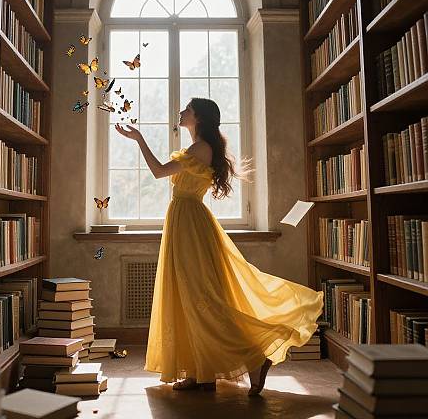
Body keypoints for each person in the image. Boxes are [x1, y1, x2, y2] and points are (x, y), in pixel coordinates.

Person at [115, 97, 324, 396]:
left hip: (189, 222)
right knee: (191, 296)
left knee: (202, 297)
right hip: (185, 220)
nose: (181, 112)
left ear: (198, 117)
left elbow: (160, 172)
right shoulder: (198, 146)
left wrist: (139, 139)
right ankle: (204, 372)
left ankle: (253, 357)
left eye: (186, 109)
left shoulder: (200, 148)